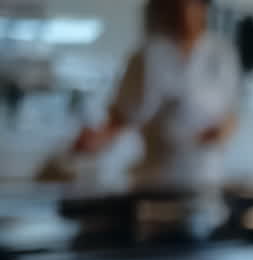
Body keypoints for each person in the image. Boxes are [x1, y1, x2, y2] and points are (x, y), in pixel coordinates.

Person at [75, 0, 240, 190]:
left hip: (205, 177)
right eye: (178, 6)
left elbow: (231, 112)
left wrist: (221, 133)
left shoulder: (222, 55)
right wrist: (95, 140)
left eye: (192, 5)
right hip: (155, 176)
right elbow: (119, 117)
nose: (185, 13)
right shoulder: (146, 55)